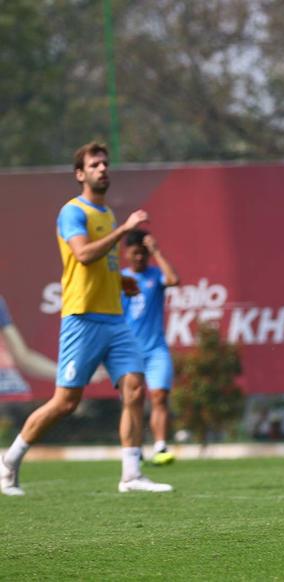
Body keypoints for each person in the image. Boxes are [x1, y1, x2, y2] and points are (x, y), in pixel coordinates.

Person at [0, 142, 172, 496]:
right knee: (66, 402)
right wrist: (124, 231)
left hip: (114, 320)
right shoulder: (73, 212)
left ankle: (131, 474)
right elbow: (83, 254)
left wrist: (119, 279)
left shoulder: (106, 214)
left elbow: (103, 263)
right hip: (82, 319)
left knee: (135, 387)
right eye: (95, 164)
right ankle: (9, 461)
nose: (102, 169)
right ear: (80, 174)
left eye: (105, 163)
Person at [122, 229, 180, 465]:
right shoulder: (119, 278)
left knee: (159, 396)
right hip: (127, 351)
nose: (139, 258)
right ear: (127, 253)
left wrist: (156, 251)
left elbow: (174, 280)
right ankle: (134, 449)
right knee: (133, 401)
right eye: (135, 253)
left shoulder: (155, 275)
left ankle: (160, 446)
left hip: (156, 349)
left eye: (143, 254)